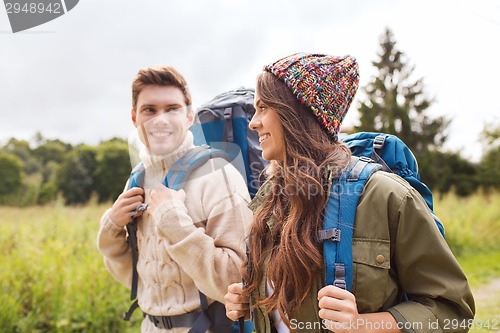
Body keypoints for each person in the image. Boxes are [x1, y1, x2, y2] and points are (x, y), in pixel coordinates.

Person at [224, 53, 475, 333]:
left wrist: (363, 325)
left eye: (263, 107)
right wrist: (250, 300)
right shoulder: (270, 201)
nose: (253, 123)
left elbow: (452, 309)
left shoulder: (385, 196)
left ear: (297, 113)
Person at [97, 65, 253, 332]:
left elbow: (238, 278)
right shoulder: (137, 179)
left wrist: (174, 224)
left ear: (189, 116)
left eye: (172, 109)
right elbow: (138, 277)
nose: (161, 119)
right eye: (149, 110)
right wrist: (110, 227)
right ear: (135, 117)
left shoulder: (219, 175)